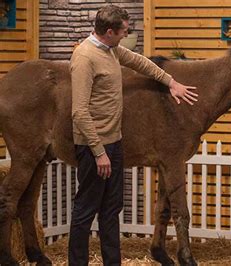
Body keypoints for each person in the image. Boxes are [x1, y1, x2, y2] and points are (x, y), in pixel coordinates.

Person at [69, 5, 198, 266]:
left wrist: (171, 82)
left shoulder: (111, 49)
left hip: (114, 143)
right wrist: (99, 152)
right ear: (109, 31)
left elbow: (140, 63)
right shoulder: (85, 57)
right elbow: (79, 113)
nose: (127, 35)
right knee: (85, 211)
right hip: (95, 148)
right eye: (124, 32)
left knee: (111, 210)